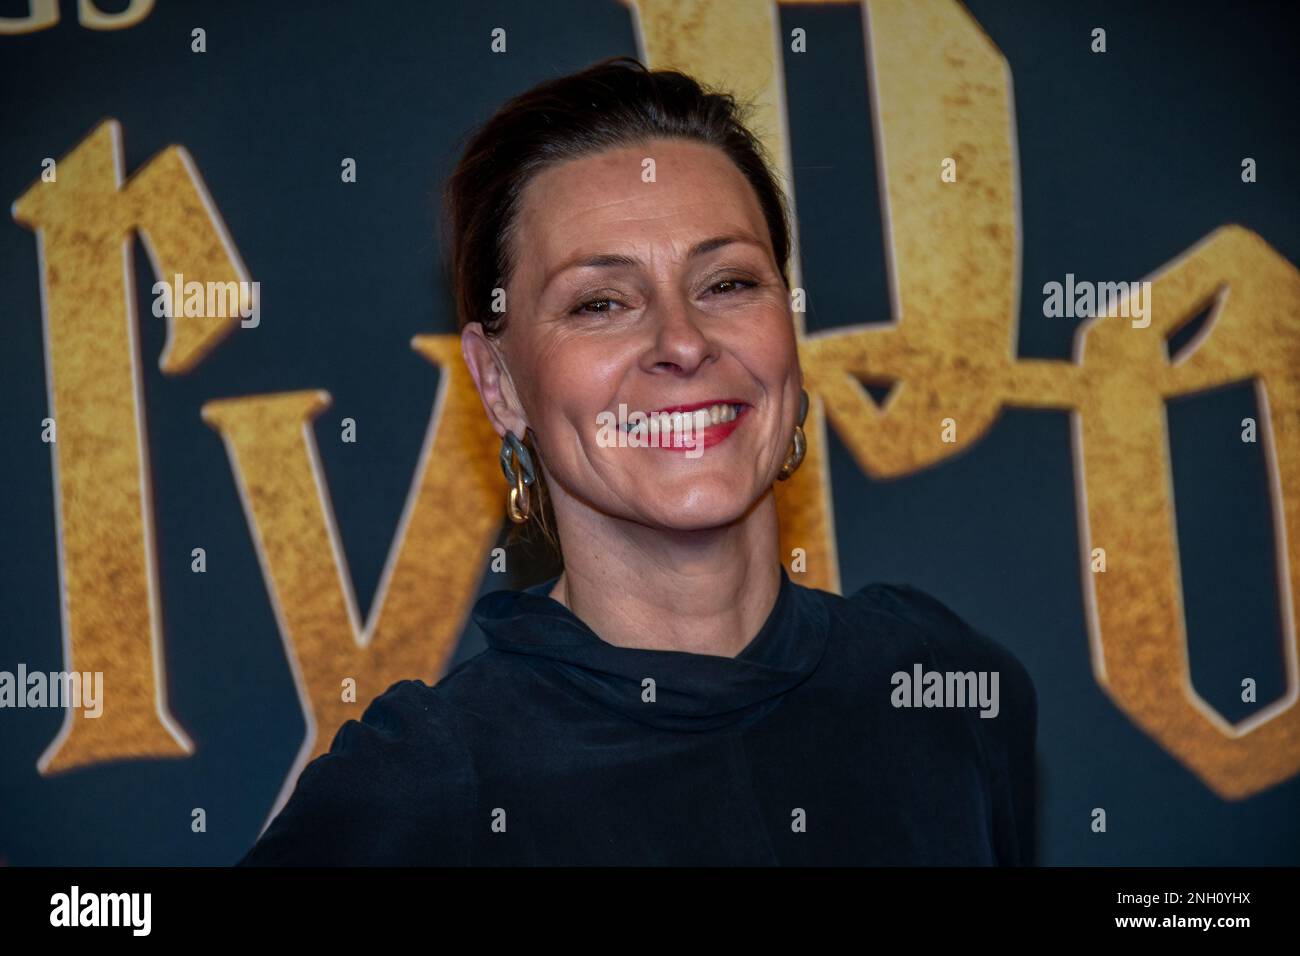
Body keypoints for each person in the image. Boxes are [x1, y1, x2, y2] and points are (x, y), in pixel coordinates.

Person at [236, 55, 1036, 866]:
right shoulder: (425, 790)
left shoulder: (940, 686)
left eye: (727, 284)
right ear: (499, 382)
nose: (682, 343)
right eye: (600, 303)